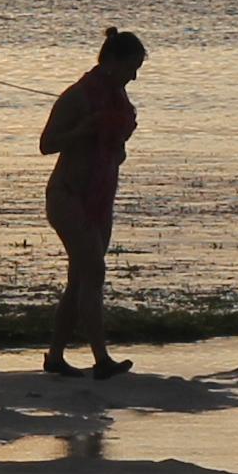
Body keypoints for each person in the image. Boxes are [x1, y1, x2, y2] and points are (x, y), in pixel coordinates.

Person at [37, 27, 146, 378]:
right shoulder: (78, 96)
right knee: (94, 271)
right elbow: (47, 143)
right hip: (67, 195)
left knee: (80, 279)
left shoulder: (119, 101)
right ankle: (102, 360)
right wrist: (85, 128)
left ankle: (55, 357)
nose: (134, 75)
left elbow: (117, 150)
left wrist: (118, 136)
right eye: (132, 66)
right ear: (112, 62)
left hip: (99, 197)